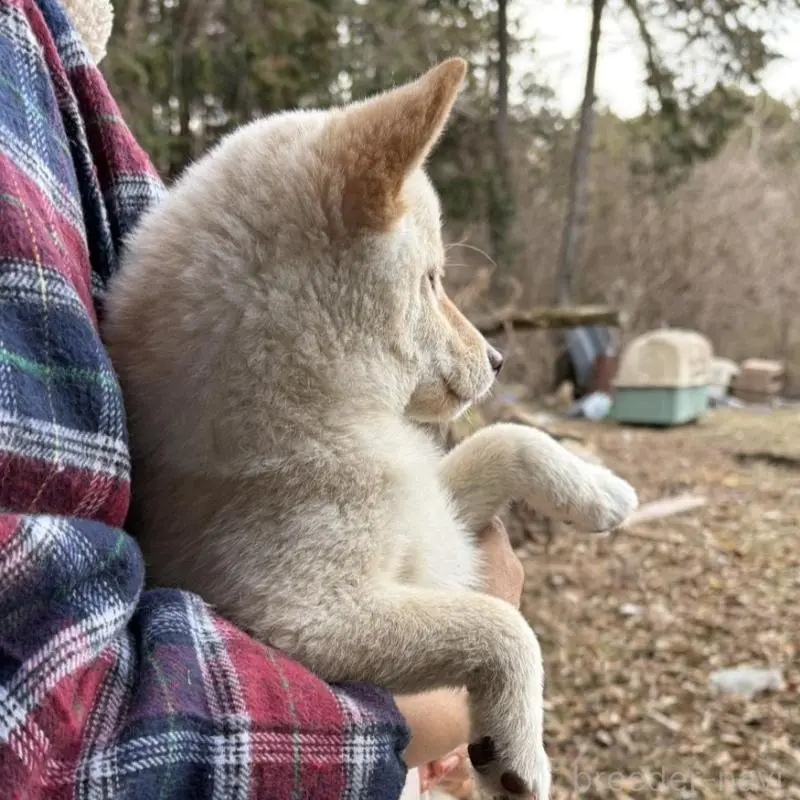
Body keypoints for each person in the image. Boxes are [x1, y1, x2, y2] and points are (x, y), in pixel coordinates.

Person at [0, 0, 527, 796]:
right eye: (429, 282)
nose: (469, 334)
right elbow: (48, 734)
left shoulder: (70, 92)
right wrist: (414, 716)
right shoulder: (24, 86)